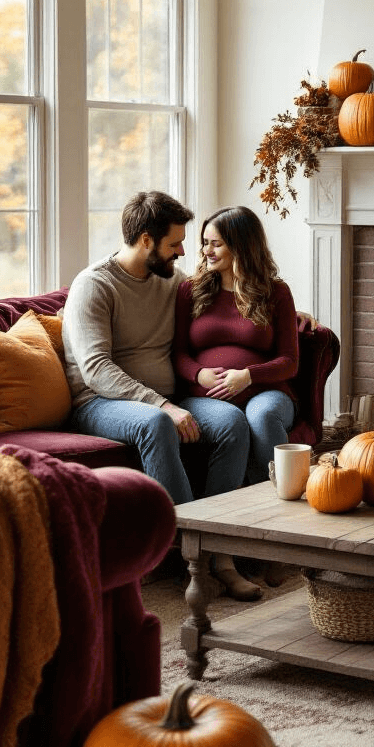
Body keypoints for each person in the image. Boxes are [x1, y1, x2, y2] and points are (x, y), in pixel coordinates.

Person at [61, 191, 251, 523]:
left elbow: (229, 302)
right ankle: (191, 547)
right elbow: (96, 369)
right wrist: (162, 406)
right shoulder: (94, 286)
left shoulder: (172, 280)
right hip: (99, 403)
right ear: (147, 240)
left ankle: (220, 541)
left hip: (170, 397)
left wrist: (290, 317)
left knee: (231, 422)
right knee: (156, 424)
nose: (182, 251)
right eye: (174, 244)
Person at [172, 206, 300, 597]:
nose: (207, 251)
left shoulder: (276, 293)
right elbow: (177, 353)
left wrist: (249, 376)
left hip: (268, 392)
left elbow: (290, 362)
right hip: (204, 398)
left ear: (242, 247)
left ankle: (277, 541)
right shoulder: (191, 290)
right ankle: (222, 558)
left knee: (260, 419)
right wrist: (198, 374)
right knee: (231, 422)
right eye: (205, 243)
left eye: (216, 244)